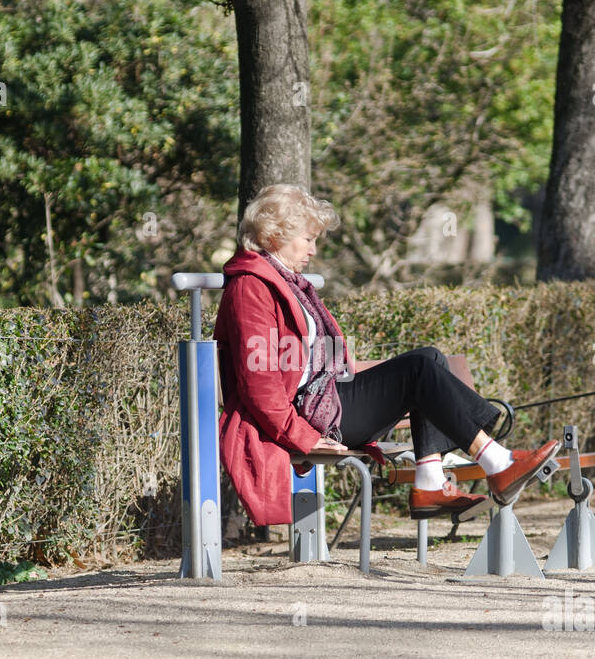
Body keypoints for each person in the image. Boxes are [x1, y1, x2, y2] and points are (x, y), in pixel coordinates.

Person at [214, 184, 560, 527]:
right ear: (276, 234)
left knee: (431, 359)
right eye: (308, 239)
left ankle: (430, 482)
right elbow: (259, 383)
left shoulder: (286, 280)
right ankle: (497, 462)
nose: (314, 250)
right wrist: (301, 436)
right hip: (308, 416)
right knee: (420, 368)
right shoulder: (251, 287)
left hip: (323, 403)